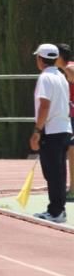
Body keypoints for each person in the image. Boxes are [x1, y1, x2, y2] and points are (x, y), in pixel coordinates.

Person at [29, 43, 70, 223]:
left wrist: (37, 131)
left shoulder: (45, 77)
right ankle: (58, 209)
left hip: (51, 131)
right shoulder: (61, 76)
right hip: (64, 128)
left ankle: (56, 211)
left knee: (53, 173)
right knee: (59, 172)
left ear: (40, 59)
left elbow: (44, 106)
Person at [57, 43, 74, 202]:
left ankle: (73, 189)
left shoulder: (69, 69)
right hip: (70, 116)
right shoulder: (66, 70)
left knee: (72, 152)